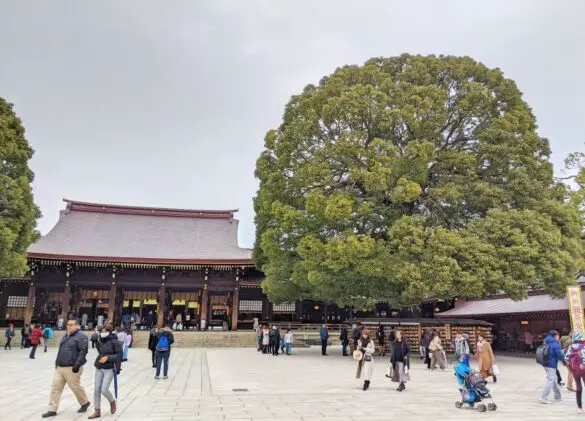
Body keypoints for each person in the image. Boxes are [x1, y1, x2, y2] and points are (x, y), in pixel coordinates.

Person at [41, 319, 90, 418]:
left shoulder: (82, 337)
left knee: (75, 387)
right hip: (60, 366)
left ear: (77, 326)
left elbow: (83, 352)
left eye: (71, 325)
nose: (69, 326)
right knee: (56, 387)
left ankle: (84, 402)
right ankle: (52, 409)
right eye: (68, 324)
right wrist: (57, 362)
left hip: (72, 367)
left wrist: (77, 365)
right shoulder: (66, 335)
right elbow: (61, 350)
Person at [88, 323, 122, 419]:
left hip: (110, 368)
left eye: (103, 330)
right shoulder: (100, 340)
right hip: (100, 366)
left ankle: (112, 401)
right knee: (96, 389)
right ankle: (97, 410)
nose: (101, 332)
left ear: (108, 331)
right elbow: (100, 352)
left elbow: (119, 356)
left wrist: (108, 357)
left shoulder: (115, 341)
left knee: (104, 389)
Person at [539, 330, 566, 404]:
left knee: (554, 379)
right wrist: (564, 360)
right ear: (556, 336)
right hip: (551, 364)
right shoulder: (554, 344)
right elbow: (560, 355)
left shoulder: (546, 341)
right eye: (558, 336)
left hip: (545, 363)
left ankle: (558, 396)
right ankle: (543, 397)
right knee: (550, 380)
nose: (559, 337)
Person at [565, 331, 585, 413]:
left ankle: (579, 408)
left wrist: (571, 366)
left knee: (578, 386)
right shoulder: (583, 346)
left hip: (575, 369)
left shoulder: (571, 347)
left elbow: (566, 358)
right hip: (583, 369)